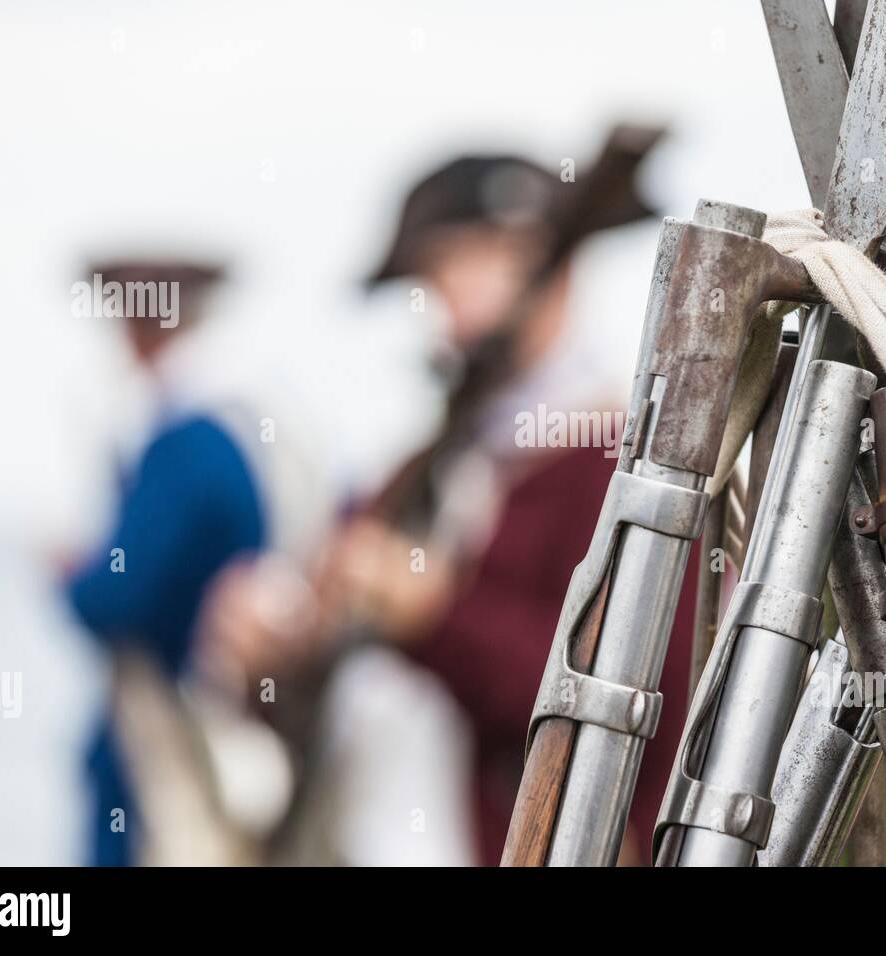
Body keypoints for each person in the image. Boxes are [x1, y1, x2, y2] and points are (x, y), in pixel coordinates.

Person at [200, 146, 699, 865]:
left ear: (550, 265)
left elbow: (639, 717)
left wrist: (438, 617)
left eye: (485, 261)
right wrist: (267, 658)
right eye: (439, 276)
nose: (454, 302)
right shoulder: (418, 469)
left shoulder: (621, 469)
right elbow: (322, 706)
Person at [64, 259, 326, 865]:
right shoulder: (261, 427)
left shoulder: (184, 442)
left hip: (175, 732)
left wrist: (73, 577)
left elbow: (112, 597)